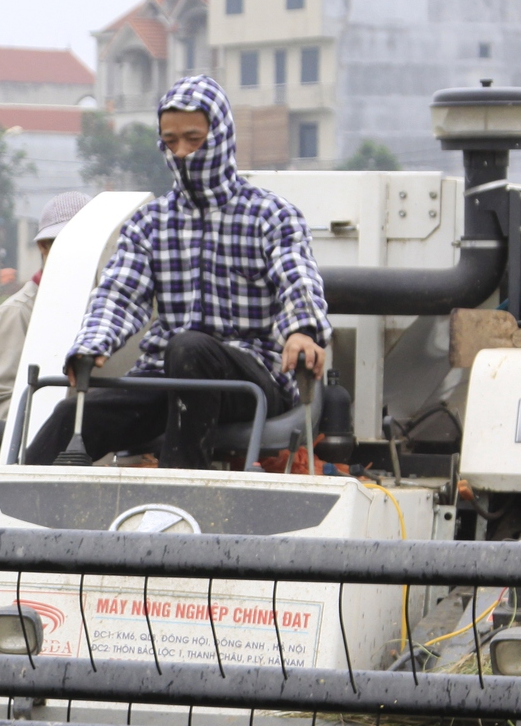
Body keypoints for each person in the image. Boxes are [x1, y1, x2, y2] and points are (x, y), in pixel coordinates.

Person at [24, 76, 330, 469]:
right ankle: (10, 523)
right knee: (71, 419)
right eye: (170, 142)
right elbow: (119, 295)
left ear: (220, 137)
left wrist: (302, 330)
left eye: (193, 139)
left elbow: (297, 280)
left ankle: (181, 495)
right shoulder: (149, 224)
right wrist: (91, 344)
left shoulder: (272, 215)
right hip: (166, 379)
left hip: (252, 379)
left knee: (189, 348)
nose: (182, 153)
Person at [0, 191, 91, 461]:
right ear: (44, 247)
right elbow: (2, 403)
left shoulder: (105, 313)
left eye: (86, 243)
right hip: (34, 470)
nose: (79, 253)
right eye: (67, 243)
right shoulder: (17, 314)